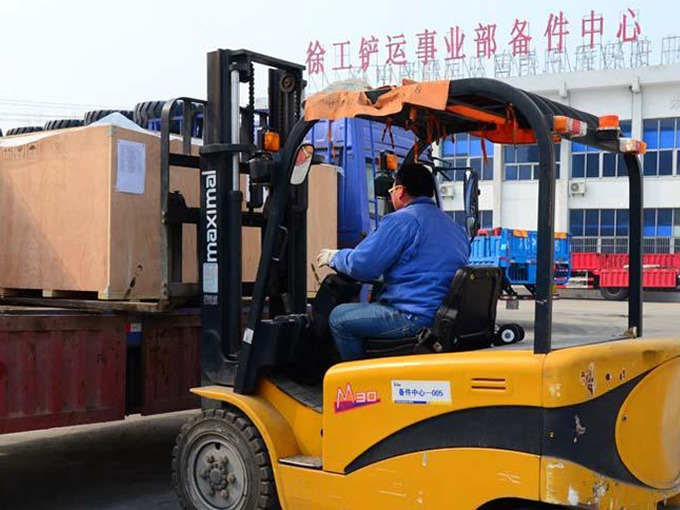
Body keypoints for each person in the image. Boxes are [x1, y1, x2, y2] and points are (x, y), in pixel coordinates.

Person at [316, 162, 470, 361]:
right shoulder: (455, 228)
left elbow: (363, 266)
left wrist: (335, 257)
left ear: (400, 191)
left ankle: (358, 378)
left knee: (339, 318)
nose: (390, 196)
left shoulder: (402, 220)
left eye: (391, 190)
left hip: (414, 318)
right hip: (444, 317)